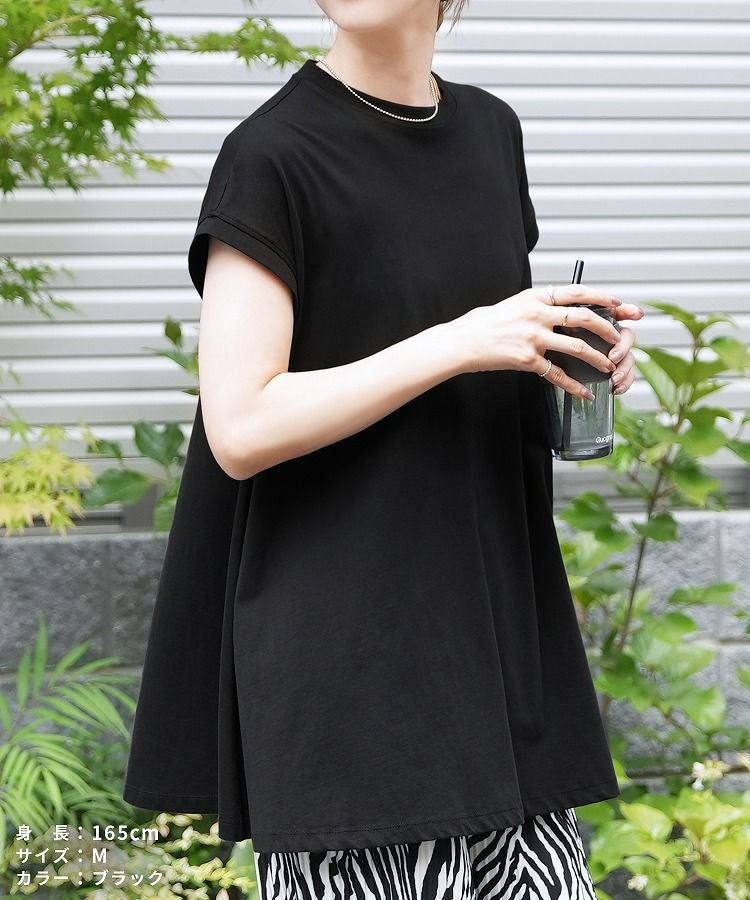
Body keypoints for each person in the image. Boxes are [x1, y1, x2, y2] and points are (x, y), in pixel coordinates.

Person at [122, 0, 645, 897]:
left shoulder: (491, 131)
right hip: (352, 672)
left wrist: (554, 350)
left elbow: (446, 363)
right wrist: (463, 339)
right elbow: (240, 427)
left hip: (488, 641)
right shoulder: (271, 155)